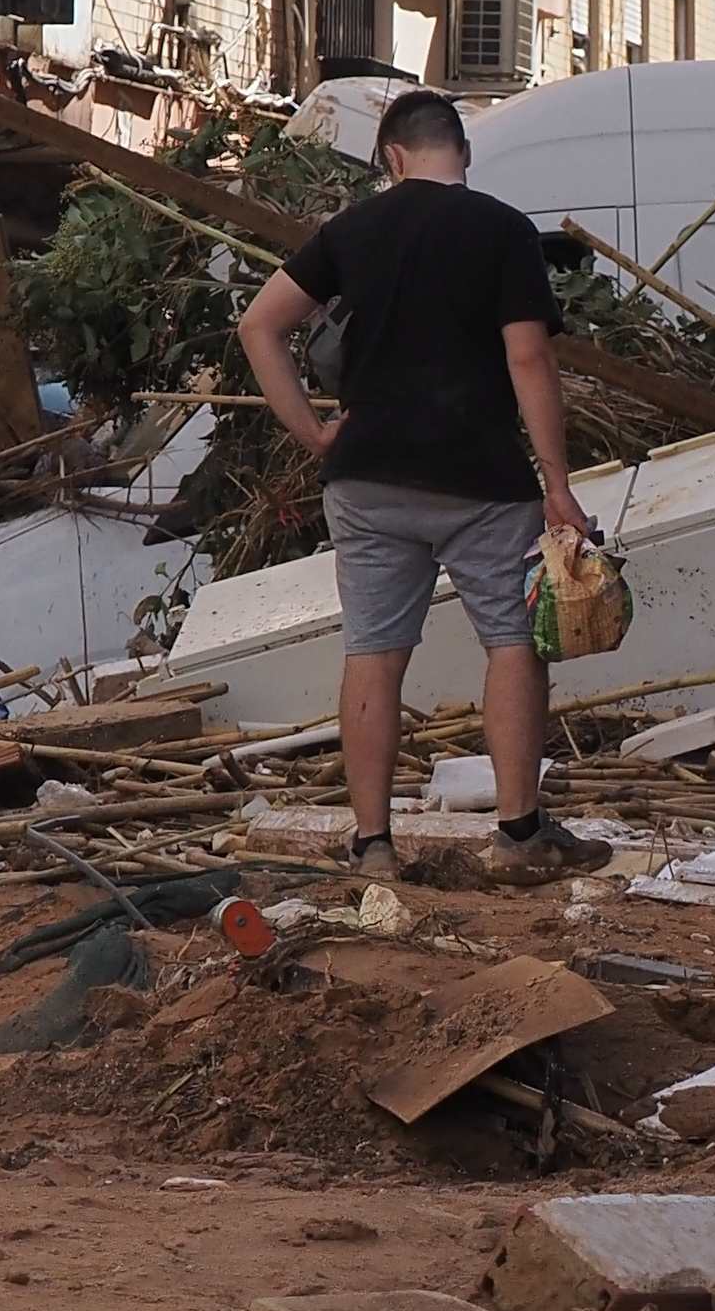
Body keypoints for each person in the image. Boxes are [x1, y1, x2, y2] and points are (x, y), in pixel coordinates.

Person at [237, 90, 605, 884]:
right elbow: (529, 361)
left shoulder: (350, 231)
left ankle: (372, 846)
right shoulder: (502, 230)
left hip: (367, 476)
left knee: (373, 651)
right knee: (512, 641)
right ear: (461, 153)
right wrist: (558, 481)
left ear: (392, 157)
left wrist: (310, 430)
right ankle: (518, 835)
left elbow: (259, 325)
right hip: (480, 477)